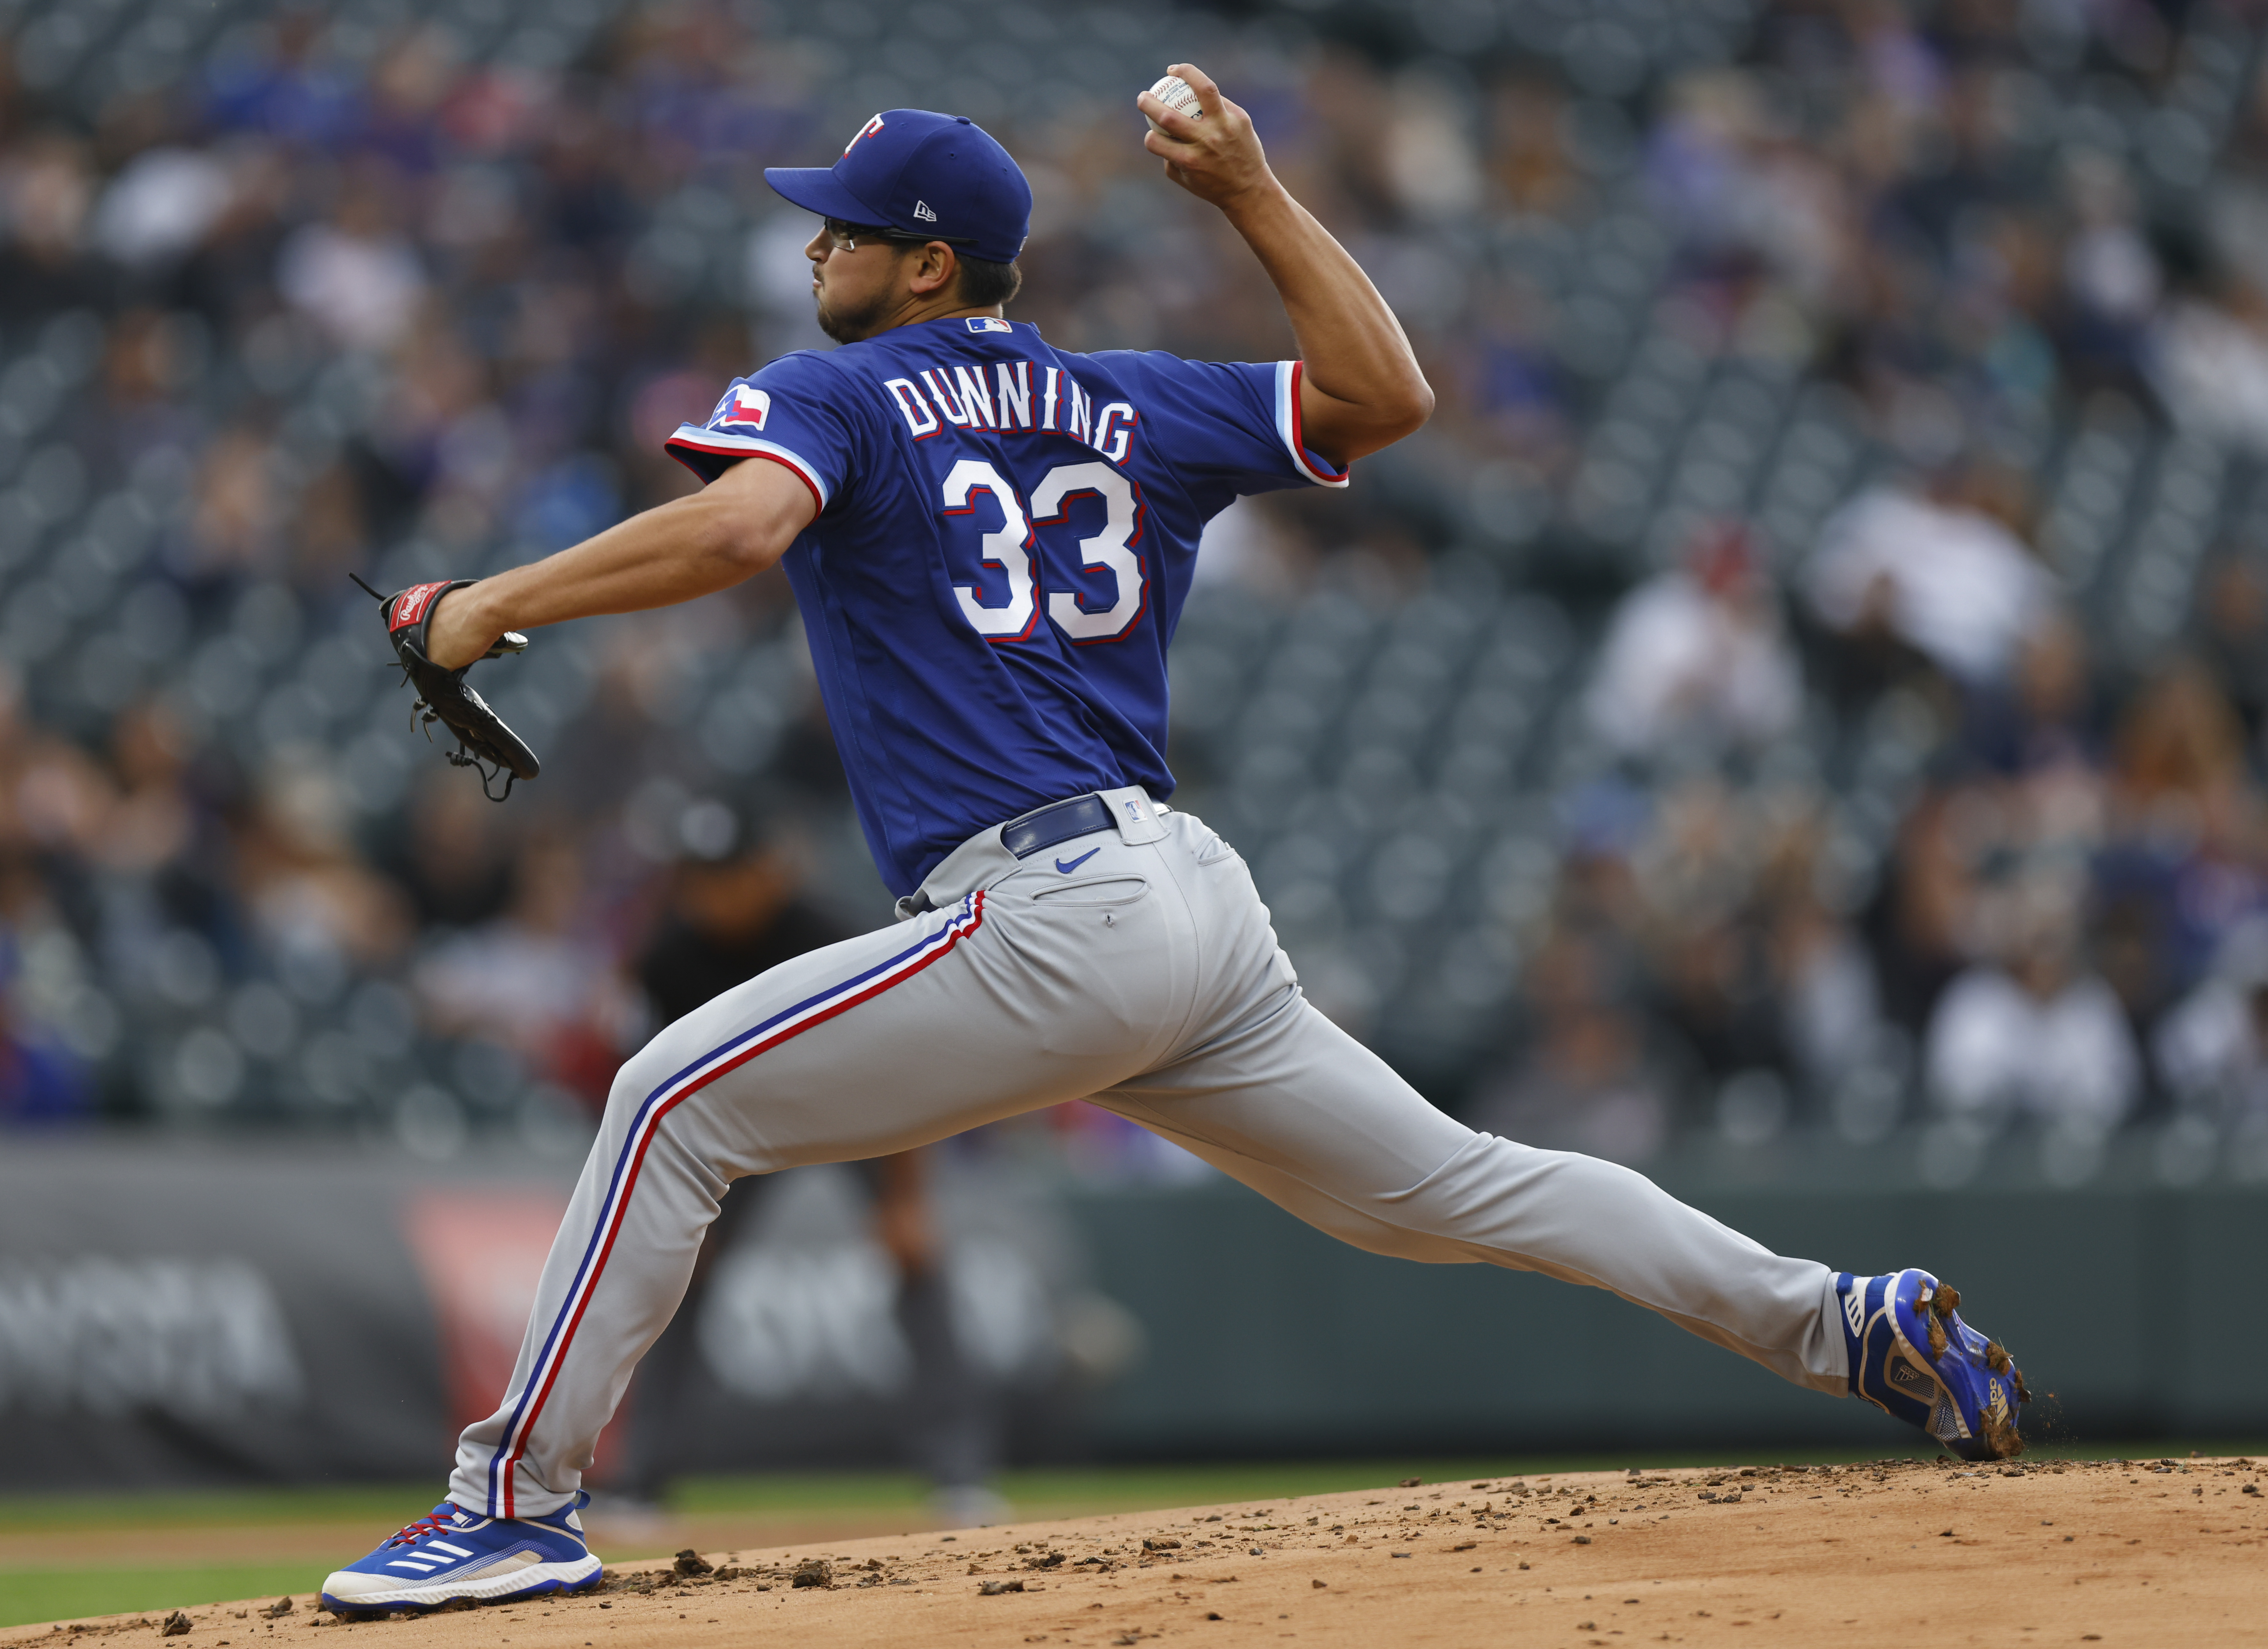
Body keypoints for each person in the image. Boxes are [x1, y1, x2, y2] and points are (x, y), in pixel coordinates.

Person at [321, 70, 2027, 1613]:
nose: (814, 247)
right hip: (1186, 904)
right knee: (1455, 1186)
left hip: (1048, 905)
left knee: (663, 1100)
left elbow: (743, 525)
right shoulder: (1128, 400)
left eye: (844, 226)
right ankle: (1836, 1317)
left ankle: (511, 1503)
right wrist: (1253, 195)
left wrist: (482, 605)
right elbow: (1390, 394)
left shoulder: (834, 394)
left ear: (925, 265)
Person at [603, 798, 1002, 1526]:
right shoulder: (668, 956)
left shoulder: (830, 934)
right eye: (699, 878)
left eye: (728, 875)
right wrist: (683, 1212)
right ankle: (643, 1480)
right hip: (746, 1122)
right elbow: (654, 1088)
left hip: (859, 1105)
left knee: (916, 1261)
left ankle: (958, 1473)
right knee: (677, 1274)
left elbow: (904, 1068)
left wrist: (905, 1198)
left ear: (770, 870)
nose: (712, 894)